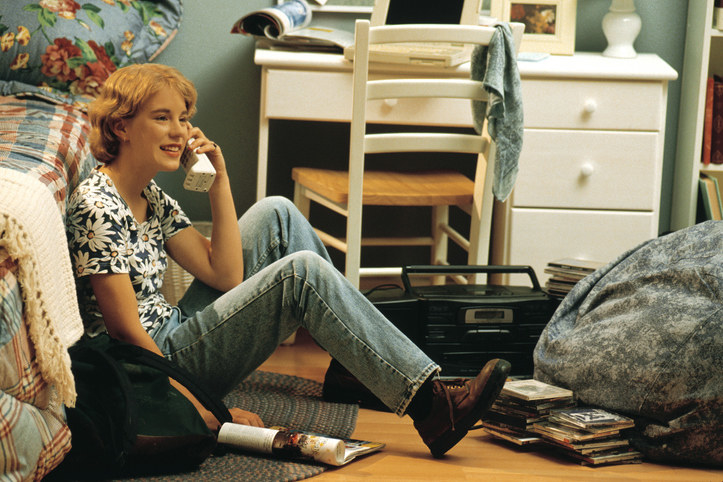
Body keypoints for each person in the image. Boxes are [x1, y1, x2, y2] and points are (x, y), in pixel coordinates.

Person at [65, 63, 510, 458]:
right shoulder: (98, 205)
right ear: (121, 127)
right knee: (303, 275)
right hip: (153, 366)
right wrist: (206, 409)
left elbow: (225, 273)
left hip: (174, 330)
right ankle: (432, 407)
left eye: (183, 119)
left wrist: (219, 180)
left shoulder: (149, 196)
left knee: (277, 211)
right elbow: (126, 334)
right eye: (161, 118)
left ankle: (352, 369)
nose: (180, 132)